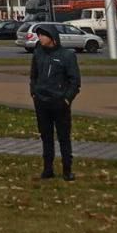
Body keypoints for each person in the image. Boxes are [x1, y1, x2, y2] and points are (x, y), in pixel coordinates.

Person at [30, 23, 81, 181]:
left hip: (60, 103)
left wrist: (66, 99)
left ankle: (67, 170)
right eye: (39, 35)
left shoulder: (67, 55)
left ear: (52, 38)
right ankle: (48, 169)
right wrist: (34, 92)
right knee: (46, 137)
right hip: (42, 102)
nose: (40, 38)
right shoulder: (38, 54)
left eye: (43, 35)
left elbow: (75, 81)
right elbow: (33, 75)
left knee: (63, 137)